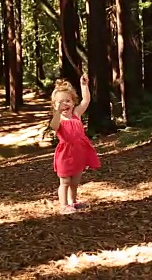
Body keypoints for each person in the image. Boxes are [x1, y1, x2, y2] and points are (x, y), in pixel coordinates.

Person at [50, 74, 101, 214]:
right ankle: (64, 205)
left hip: (79, 152)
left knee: (75, 181)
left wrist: (84, 86)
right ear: (55, 106)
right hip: (65, 154)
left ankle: (73, 202)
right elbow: (53, 127)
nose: (64, 104)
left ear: (73, 102)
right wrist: (57, 112)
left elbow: (86, 100)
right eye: (60, 102)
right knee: (65, 181)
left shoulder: (77, 114)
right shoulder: (58, 119)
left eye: (67, 101)